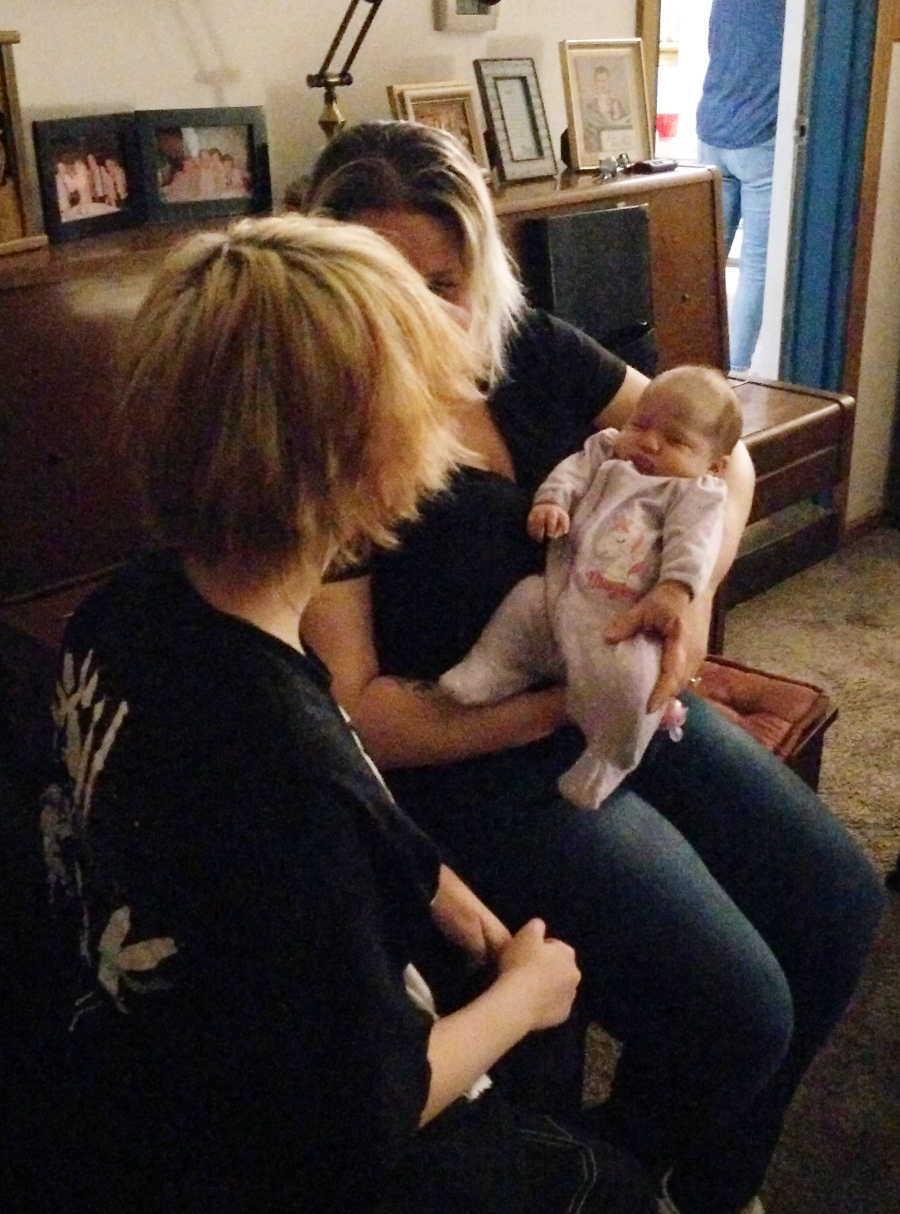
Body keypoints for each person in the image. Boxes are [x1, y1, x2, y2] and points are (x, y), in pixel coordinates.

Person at [296, 120, 884, 1214]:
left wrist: (692, 605)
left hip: (619, 693)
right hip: (472, 757)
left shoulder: (525, 347)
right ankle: (609, 1177)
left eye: (445, 282)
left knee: (839, 903)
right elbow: (364, 715)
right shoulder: (325, 441)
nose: (425, 314)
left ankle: (711, 1185)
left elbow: (724, 459)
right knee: (740, 1009)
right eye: (385, 284)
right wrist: (552, 710)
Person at [32, 213, 657, 1214]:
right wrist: (522, 996)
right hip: (260, 1146)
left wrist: (438, 886)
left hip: (142, 1031)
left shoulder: (126, 608)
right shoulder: (287, 771)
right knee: (609, 1183)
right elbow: (362, 1113)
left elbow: (341, 801)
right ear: (372, 459)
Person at [440, 365, 742, 809]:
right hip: (562, 591)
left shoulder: (693, 494)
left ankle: (610, 755)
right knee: (524, 602)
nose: (649, 443)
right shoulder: (606, 450)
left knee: (635, 684)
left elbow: (693, 544)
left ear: (714, 466)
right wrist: (552, 501)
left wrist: (674, 592)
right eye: (641, 424)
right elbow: (570, 474)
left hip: (627, 618)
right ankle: (494, 669)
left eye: (676, 441)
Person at [696, 0, 786, 373]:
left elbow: (715, 45)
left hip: (713, 128)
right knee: (756, 264)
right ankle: (734, 370)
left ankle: (694, 360)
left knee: (705, 260)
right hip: (759, 138)